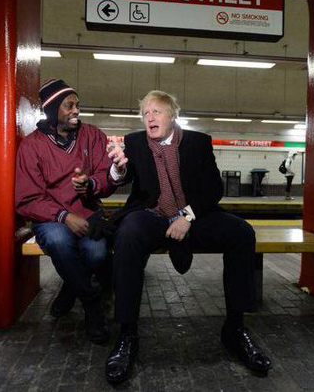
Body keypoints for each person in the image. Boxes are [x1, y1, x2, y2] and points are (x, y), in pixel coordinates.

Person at [104, 90, 272, 385]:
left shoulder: (198, 142)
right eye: (145, 113)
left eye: (156, 111)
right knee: (127, 236)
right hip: (152, 213)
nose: (150, 118)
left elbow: (212, 190)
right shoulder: (134, 143)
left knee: (242, 233)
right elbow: (123, 175)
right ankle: (127, 334)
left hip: (195, 214)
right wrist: (117, 168)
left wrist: (187, 218)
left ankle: (235, 328)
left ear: (172, 116)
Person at [15, 79, 119, 344]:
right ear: (51, 110)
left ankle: (71, 286)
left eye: (77, 105)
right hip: (50, 217)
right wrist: (64, 216)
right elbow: (27, 198)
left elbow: (106, 177)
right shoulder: (31, 146)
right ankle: (91, 303)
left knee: (96, 253)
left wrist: (91, 185)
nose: (76, 110)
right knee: (59, 240)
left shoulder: (93, 135)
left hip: (87, 211)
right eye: (69, 105)